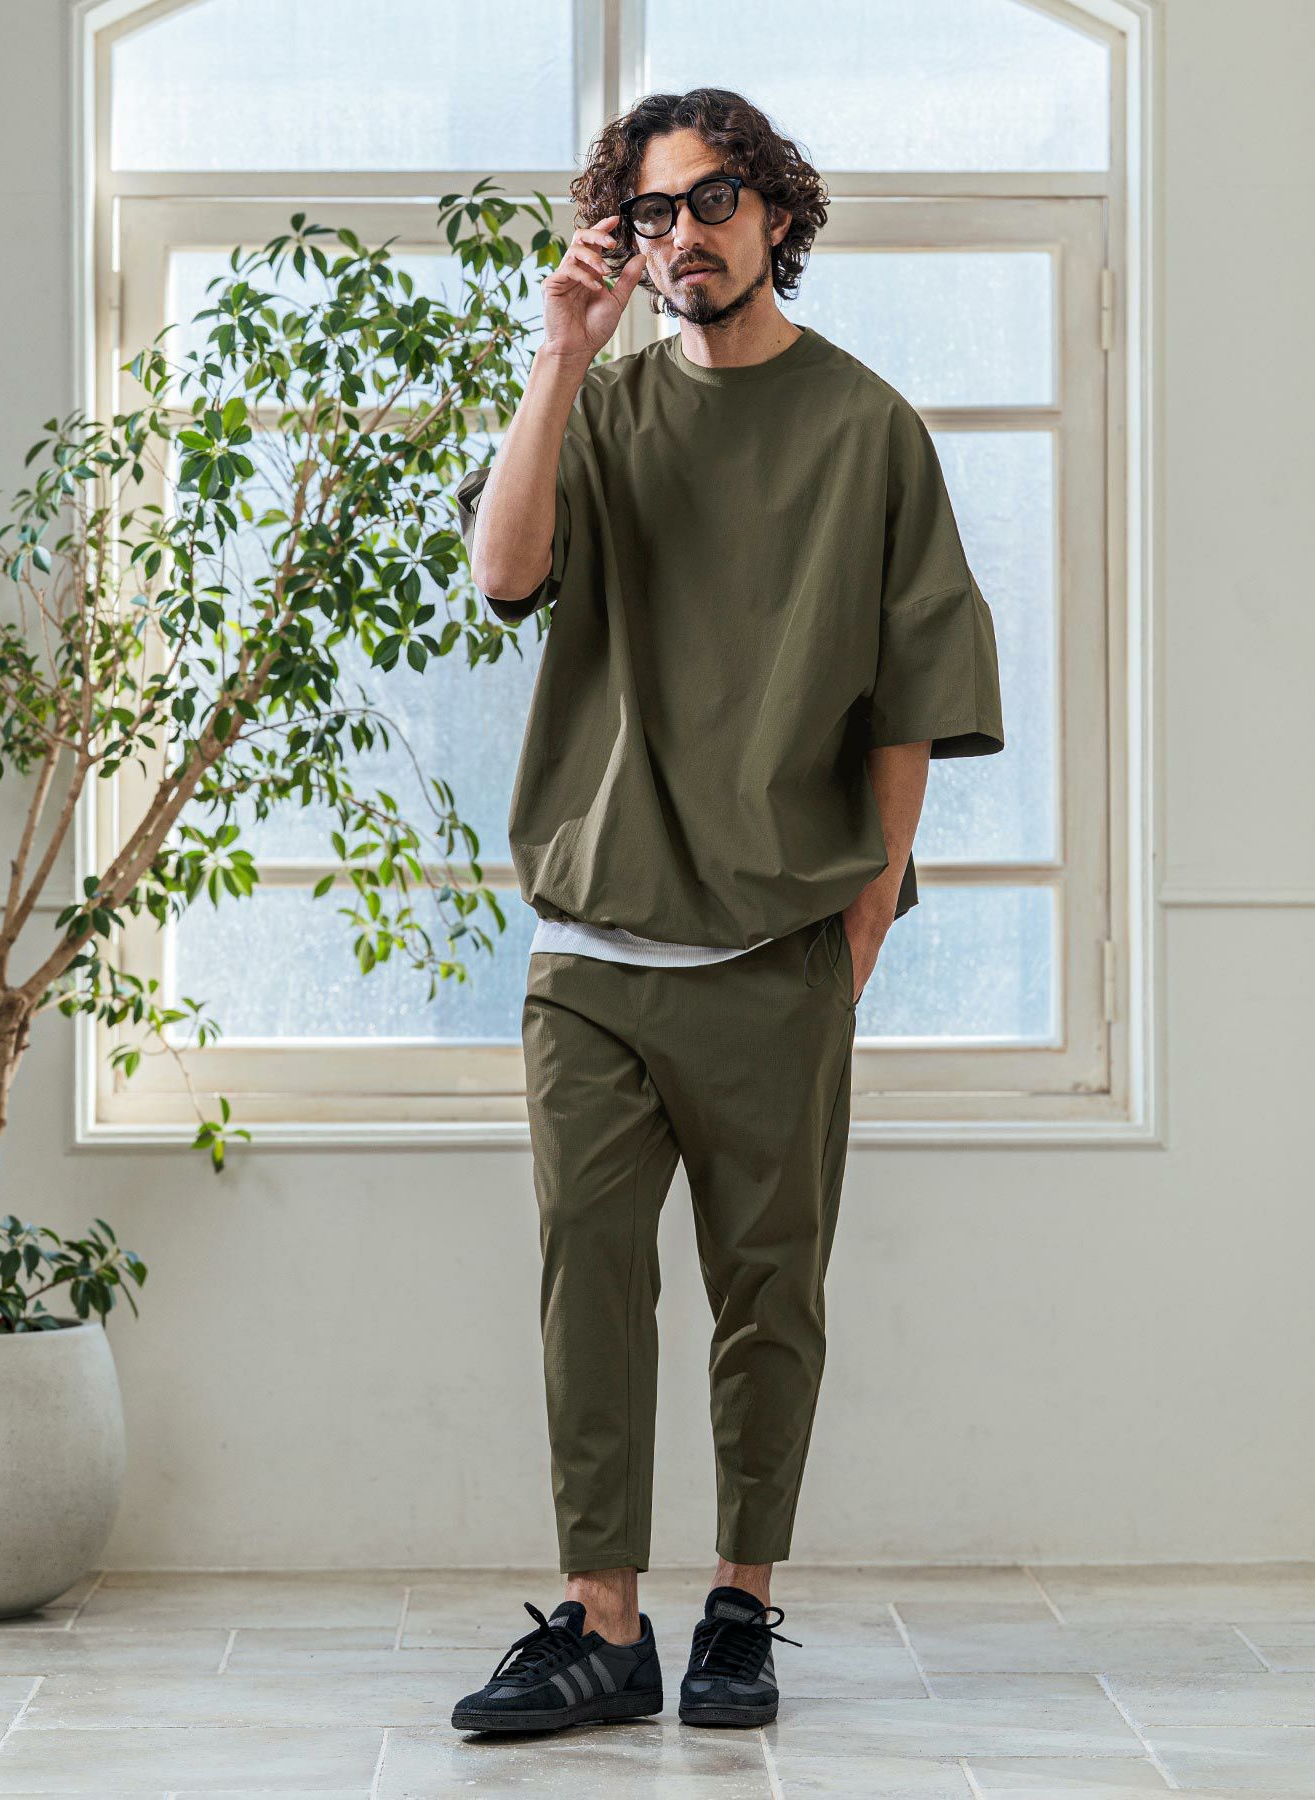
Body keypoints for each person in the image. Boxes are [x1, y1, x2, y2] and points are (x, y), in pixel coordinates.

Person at [449, 87, 1005, 1736]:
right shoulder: (602, 406)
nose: (680, 234)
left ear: (776, 214)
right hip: (594, 948)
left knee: (772, 1295)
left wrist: (868, 917)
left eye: (710, 201)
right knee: (588, 1284)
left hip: (777, 946)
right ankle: (604, 1625)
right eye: (651, 209)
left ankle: (743, 1609)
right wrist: (559, 355)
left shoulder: (866, 428)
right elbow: (503, 572)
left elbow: (912, 692)